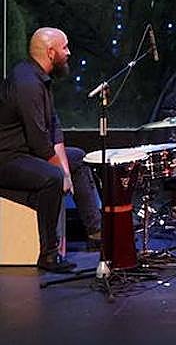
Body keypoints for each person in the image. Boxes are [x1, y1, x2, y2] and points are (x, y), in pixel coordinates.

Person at [0, 27, 103, 272]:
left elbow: (53, 127)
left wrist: (67, 169)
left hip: (26, 154)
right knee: (52, 177)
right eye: (64, 47)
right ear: (50, 52)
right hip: (7, 159)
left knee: (77, 158)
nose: (68, 52)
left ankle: (96, 230)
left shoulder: (41, 78)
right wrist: (61, 174)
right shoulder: (27, 83)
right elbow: (39, 141)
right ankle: (48, 253)